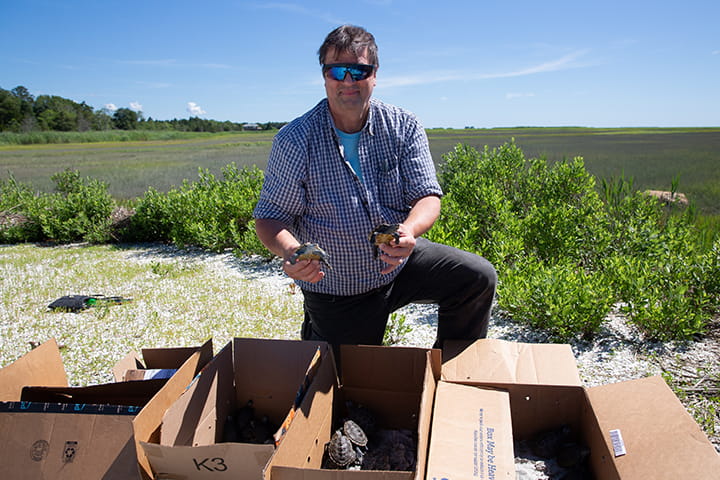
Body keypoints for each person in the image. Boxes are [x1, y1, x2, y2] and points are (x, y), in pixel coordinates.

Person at [253, 24, 496, 354]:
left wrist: (408, 231)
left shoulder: (403, 125)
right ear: (324, 76)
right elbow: (271, 217)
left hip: (400, 263)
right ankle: (321, 342)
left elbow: (427, 195)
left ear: (375, 74)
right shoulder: (296, 140)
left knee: (476, 277)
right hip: (337, 284)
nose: (348, 81)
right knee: (340, 391)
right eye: (338, 71)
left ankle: (451, 372)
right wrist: (293, 253)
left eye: (359, 70)